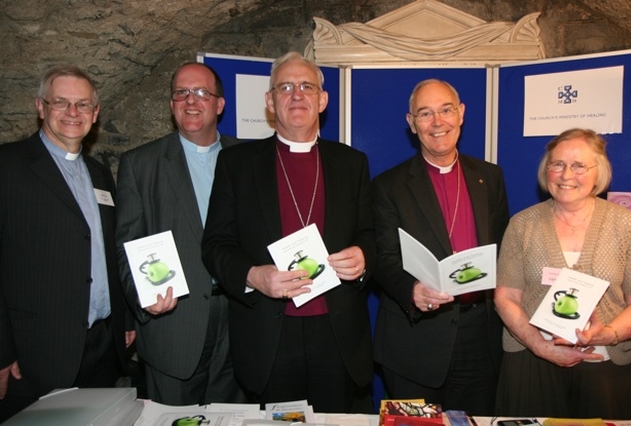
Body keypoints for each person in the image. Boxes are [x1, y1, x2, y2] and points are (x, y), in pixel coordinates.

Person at [201, 51, 375, 413]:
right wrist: (254, 275)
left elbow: (371, 234)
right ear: (269, 101)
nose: (297, 95)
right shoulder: (237, 164)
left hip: (337, 333)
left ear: (322, 100)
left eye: (307, 86)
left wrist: (363, 256)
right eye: (285, 87)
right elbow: (215, 244)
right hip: (269, 335)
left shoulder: (351, 163)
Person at [0, 65, 134, 422]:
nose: (73, 113)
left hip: (102, 348)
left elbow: (107, 251)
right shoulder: (8, 166)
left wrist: (125, 318)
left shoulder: (100, 173)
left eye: (83, 104)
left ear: (95, 112)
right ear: (41, 107)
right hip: (35, 354)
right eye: (61, 102)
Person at [372, 79, 509, 415]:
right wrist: (412, 290)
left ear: (461, 114)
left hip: (480, 336)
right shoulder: (388, 185)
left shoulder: (490, 177)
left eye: (446, 110)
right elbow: (383, 257)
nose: (437, 122)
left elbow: (505, 248)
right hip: (415, 339)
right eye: (425, 113)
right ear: (411, 123)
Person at [116, 62, 246, 405]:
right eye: (181, 92)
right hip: (173, 323)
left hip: (239, 321)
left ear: (219, 104)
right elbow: (126, 247)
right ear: (171, 103)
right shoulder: (140, 164)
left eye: (202, 92)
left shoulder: (248, 158)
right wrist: (144, 299)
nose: (191, 101)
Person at [494, 128, 631, 419]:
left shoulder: (627, 225)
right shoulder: (522, 224)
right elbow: (506, 296)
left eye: (578, 166)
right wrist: (540, 346)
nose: (565, 174)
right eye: (557, 164)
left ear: (598, 172)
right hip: (531, 361)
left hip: (603, 362)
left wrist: (607, 334)